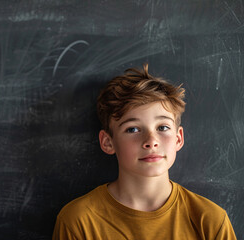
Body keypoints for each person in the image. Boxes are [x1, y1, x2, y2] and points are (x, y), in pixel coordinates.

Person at [52, 64, 237, 239]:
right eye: (133, 129)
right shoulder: (79, 221)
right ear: (108, 142)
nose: (151, 141)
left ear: (178, 138)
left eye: (163, 127)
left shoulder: (211, 221)